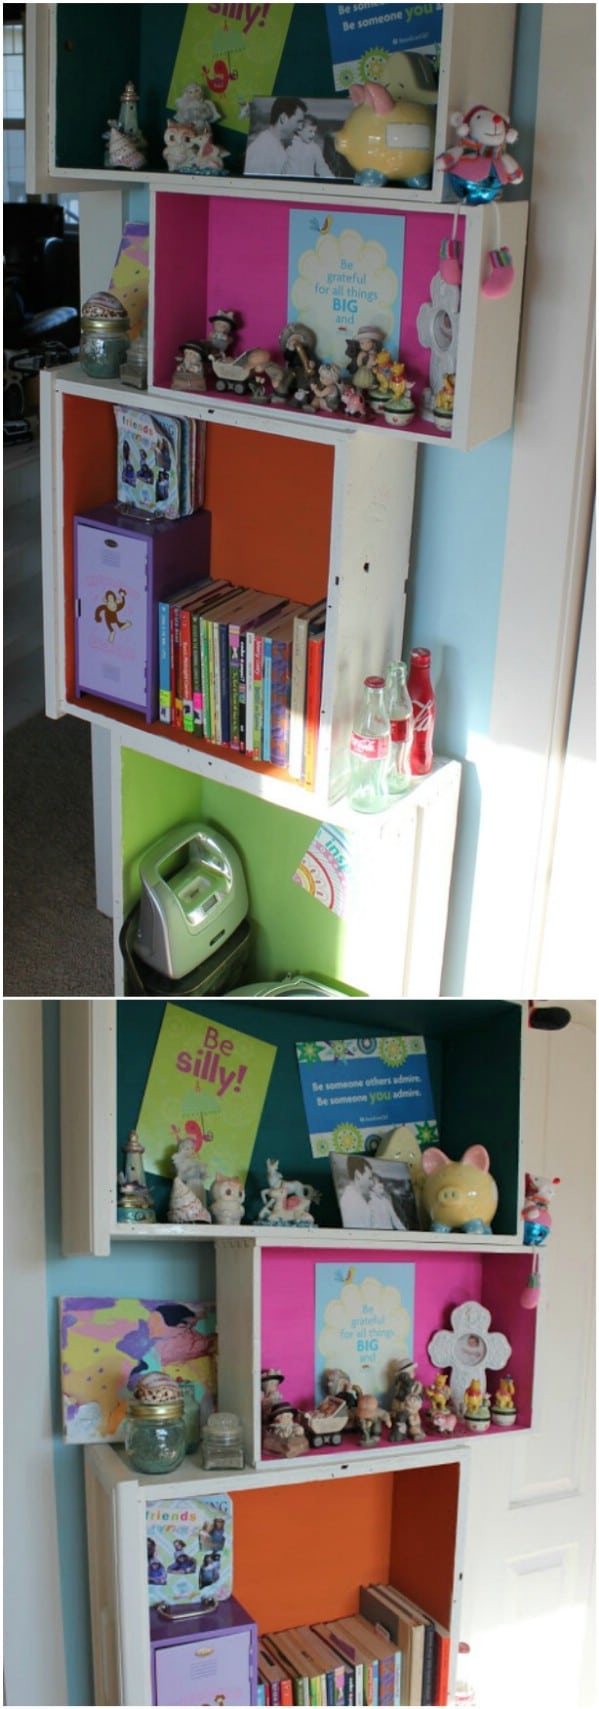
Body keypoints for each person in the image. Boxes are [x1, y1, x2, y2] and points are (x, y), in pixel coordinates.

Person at [245, 97, 307, 175]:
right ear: (283, 118)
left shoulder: (272, 144)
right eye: (298, 121)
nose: (300, 127)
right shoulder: (263, 149)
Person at [283, 113, 335, 179]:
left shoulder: (314, 148)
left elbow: (322, 167)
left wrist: (333, 180)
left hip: (307, 185)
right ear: (299, 130)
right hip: (289, 184)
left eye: (314, 132)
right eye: (310, 131)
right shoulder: (288, 145)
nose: (313, 134)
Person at [338, 1156, 375, 1227]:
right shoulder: (353, 1203)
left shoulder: (352, 1198)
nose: (372, 1183)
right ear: (358, 1175)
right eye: (369, 1178)